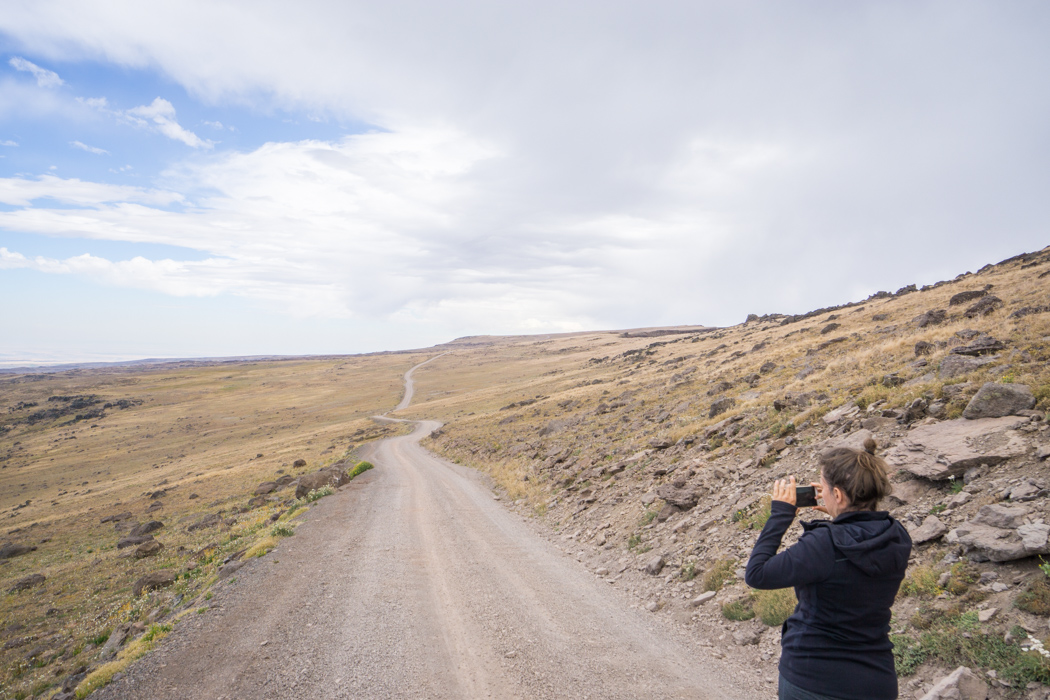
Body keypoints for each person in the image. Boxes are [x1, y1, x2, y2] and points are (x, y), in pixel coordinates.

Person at [745, 438, 912, 700]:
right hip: (877, 681)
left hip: (815, 680)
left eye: (823, 488)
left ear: (838, 495)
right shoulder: (896, 534)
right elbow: (857, 542)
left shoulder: (824, 544)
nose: (819, 493)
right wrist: (841, 513)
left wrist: (780, 515)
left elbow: (757, 574)